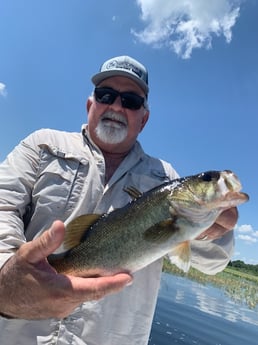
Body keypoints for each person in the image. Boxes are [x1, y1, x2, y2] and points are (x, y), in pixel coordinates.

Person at [0, 55, 237, 345]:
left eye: (131, 101)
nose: (116, 106)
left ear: (144, 119)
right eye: (106, 95)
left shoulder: (167, 178)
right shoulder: (42, 144)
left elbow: (214, 262)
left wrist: (213, 226)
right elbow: (3, 204)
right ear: (91, 105)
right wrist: (7, 275)